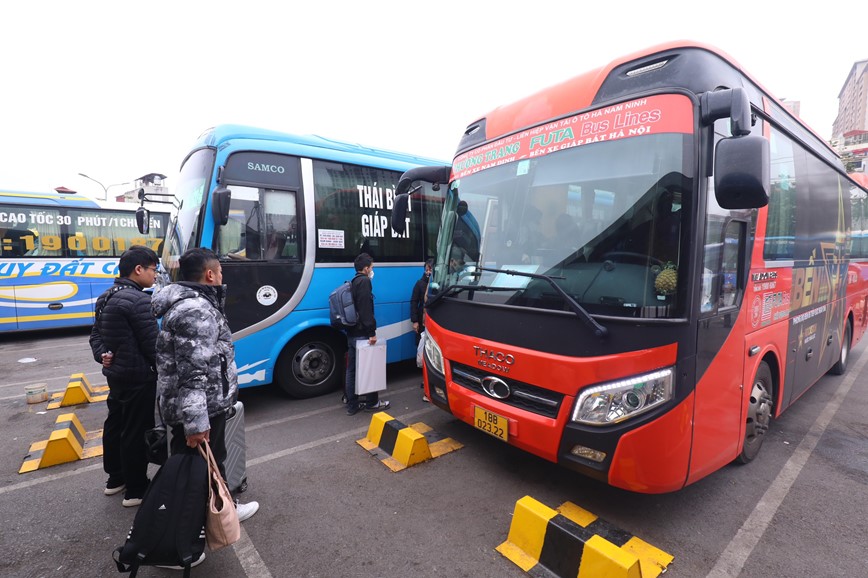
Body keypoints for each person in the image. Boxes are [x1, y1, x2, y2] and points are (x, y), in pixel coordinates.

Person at [151, 247, 259, 523]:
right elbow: (192, 373)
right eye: (221, 271)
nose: (223, 276)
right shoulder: (196, 311)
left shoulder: (193, 303)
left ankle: (224, 509)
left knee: (207, 466)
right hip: (202, 408)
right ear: (210, 275)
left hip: (203, 405)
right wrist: (197, 423)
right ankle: (186, 539)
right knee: (195, 471)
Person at [88, 245, 161, 507]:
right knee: (135, 430)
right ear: (138, 269)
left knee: (115, 424)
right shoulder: (139, 300)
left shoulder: (106, 296)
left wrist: (102, 354)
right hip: (138, 377)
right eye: (153, 269)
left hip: (115, 375)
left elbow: (95, 335)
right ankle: (136, 489)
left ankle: (115, 479)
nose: (155, 275)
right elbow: (152, 345)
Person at [345, 253, 391, 416]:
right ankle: (371, 403)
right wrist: (371, 332)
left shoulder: (354, 281)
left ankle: (352, 404)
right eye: (372, 267)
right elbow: (365, 309)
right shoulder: (364, 282)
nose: (372, 270)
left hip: (352, 333)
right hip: (362, 333)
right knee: (370, 367)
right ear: (365, 269)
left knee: (352, 369)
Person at [410, 259, 433, 402]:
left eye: (431, 269)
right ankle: (425, 379)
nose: (428, 272)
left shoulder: (438, 284)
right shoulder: (419, 284)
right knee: (422, 350)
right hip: (422, 321)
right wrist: (415, 321)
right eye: (427, 269)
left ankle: (428, 380)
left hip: (432, 323)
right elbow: (414, 302)